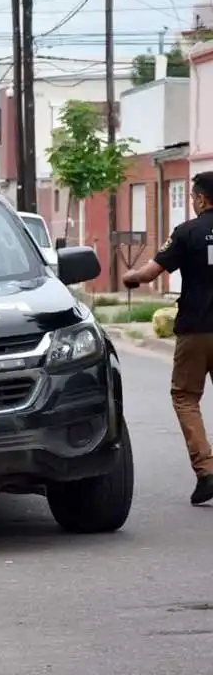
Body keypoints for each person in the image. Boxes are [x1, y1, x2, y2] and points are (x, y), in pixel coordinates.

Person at [122, 171, 213, 505]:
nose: (191, 201)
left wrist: (130, 278)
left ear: (201, 199)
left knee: (186, 396)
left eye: (192, 197)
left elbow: (149, 273)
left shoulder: (187, 232)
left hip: (195, 329)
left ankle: (206, 470)